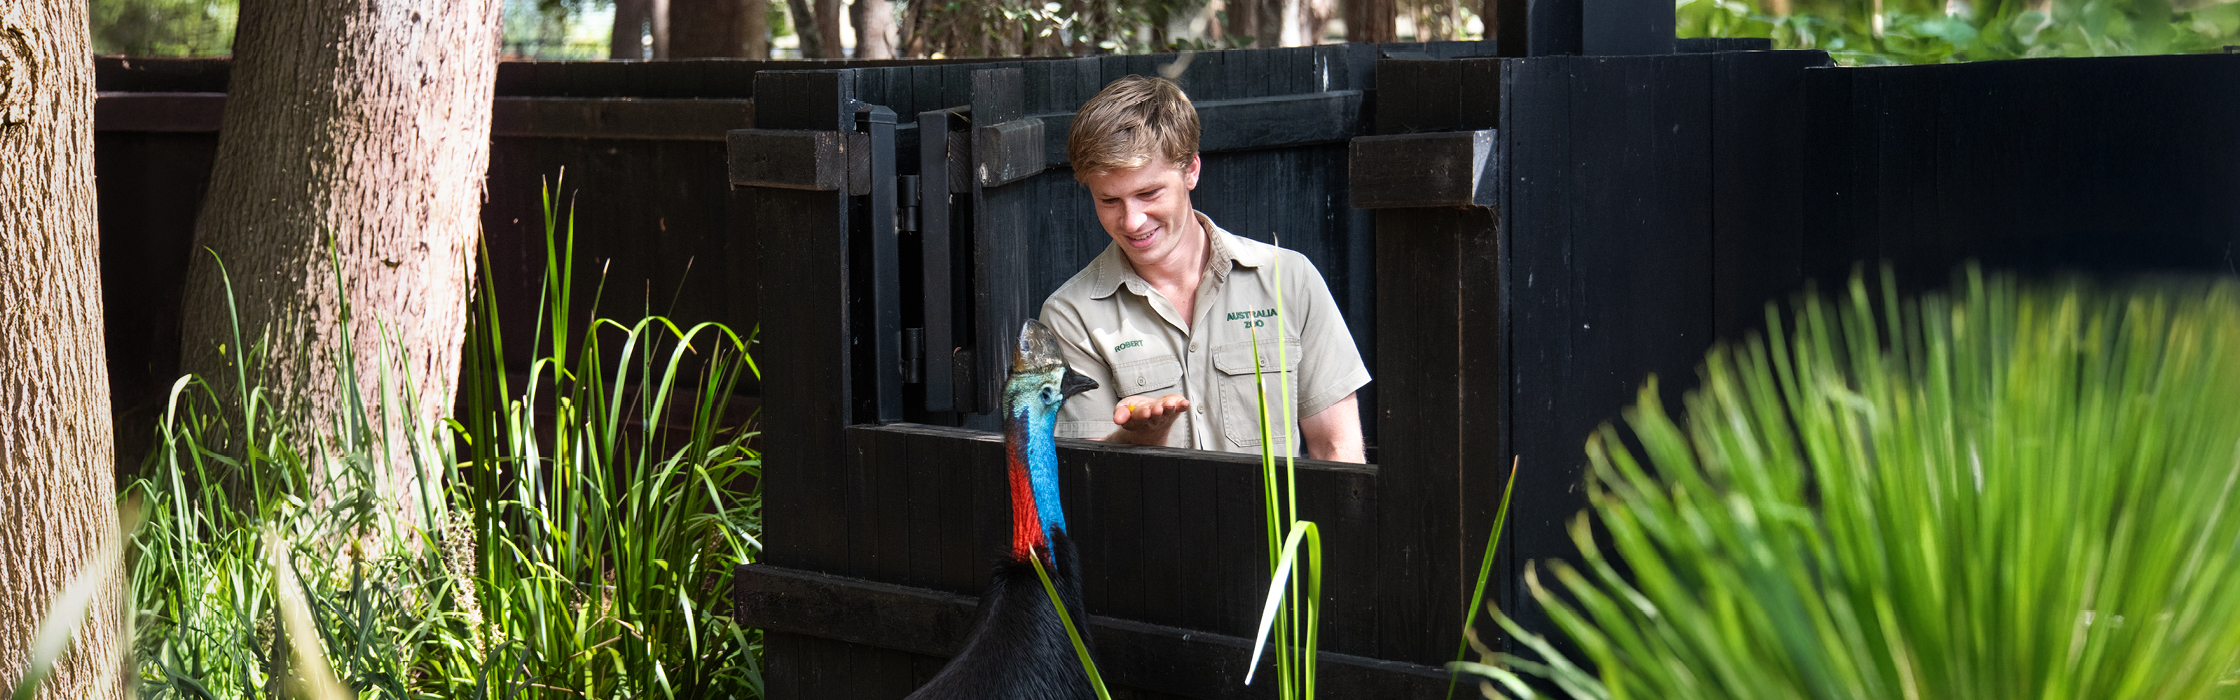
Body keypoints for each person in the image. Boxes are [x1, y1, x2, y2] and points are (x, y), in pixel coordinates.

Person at [1037, 75, 1370, 463]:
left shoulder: (1289, 279)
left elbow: (1337, 449)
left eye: (1148, 193)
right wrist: (1143, 437)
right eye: (1109, 200)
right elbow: (1090, 478)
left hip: (1280, 527)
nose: (1131, 220)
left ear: (1191, 171)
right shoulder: (1070, 316)